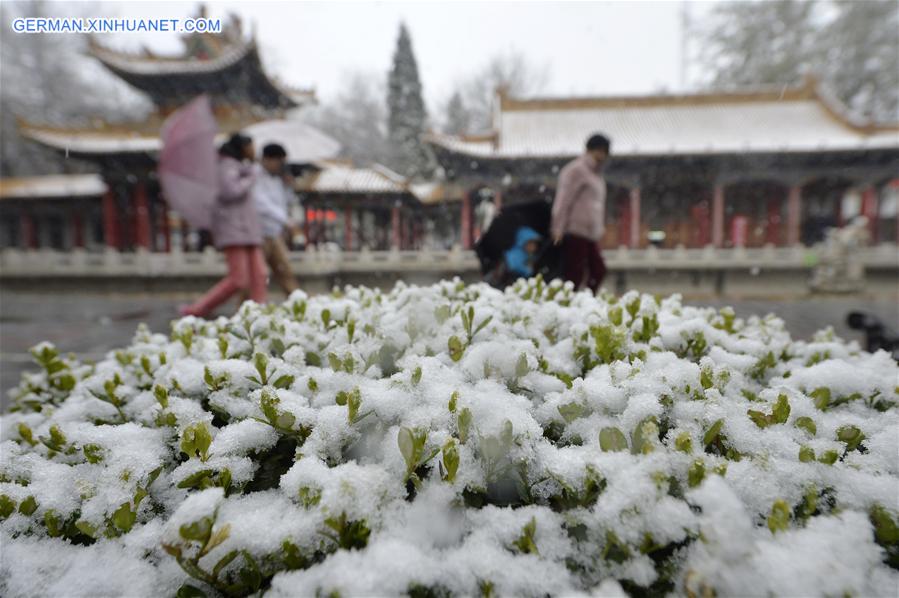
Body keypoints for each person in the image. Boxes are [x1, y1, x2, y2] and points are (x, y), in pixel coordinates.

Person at [179, 133, 268, 317]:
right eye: (251, 146)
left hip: (248, 230)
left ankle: (259, 312)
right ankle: (197, 309)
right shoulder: (225, 166)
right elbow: (231, 191)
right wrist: (251, 176)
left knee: (259, 275)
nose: (254, 151)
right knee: (239, 280)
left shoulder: (238, 168)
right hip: (233, 229)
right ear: (242, 148)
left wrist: (248, 172)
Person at [551, 133, 610, 293]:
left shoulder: (597, 175)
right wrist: (558, 228)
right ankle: (571, 308)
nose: (601, 155)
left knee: (598, 270)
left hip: (590, 234)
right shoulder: (576, 170)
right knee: (574, 275)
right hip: (575, 230)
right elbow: (564, 200)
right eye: (598, 150)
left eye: (604, 151)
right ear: (589, 150)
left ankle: (585, 302)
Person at [253, 143, 299, 295]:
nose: (280, 166)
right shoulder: (255, 176)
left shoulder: (278, 179)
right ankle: (247, 307)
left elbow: (285, 202)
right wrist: (286, 221)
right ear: (267, 159)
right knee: (256, 275)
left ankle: (298, 304)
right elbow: (261, 204)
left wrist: (288, 186)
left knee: (285, 272)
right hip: (258, 234)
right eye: (278, 161)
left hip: (274, 233)